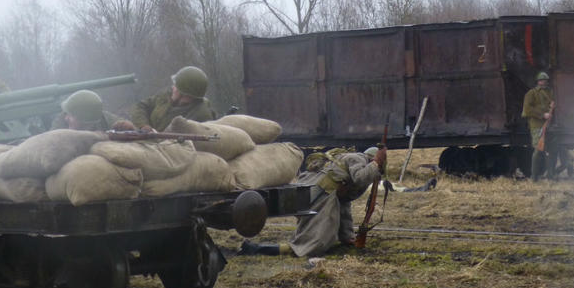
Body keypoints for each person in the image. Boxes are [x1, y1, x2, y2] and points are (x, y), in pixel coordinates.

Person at [239, 146, 386, 258]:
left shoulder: (351, 166)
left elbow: (343, 204)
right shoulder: (358, 158)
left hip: (318, 193)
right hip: (319, 193)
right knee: (315, 244)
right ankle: (255, 249)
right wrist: (375, 164)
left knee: (311, 239)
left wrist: (347, 237)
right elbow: (361, 177)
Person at [129, 66, 216, 132]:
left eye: (176, 86)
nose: (173, 87)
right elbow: (141, 106)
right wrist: (144, 126)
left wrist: (154, 137)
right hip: (147, 140)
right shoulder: (166, 96)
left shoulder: (201, 115)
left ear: (183, 93)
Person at [521, 72, 557, 181]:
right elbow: (527, 110)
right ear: (538, 81)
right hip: (537, 125)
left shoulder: (551, 92)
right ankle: (534, 177)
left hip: (549, 126)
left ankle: (550, 175)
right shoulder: (531, 94)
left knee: (551, 150)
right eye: (541, 80)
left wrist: (553, 106)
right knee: (538, 150)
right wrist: (542, 115)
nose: (544, 82)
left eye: (545, 80)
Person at [50, 89, 130, 131]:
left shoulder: (110, 122)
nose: (66, 118)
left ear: (85, 122)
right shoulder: (60, 125)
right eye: (67, 113)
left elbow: (136, 135)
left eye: (71, 115)